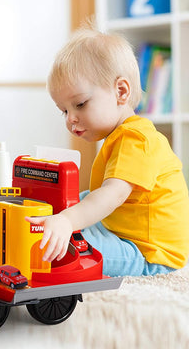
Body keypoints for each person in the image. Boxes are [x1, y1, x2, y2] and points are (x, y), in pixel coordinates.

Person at [26, 25, 189, 277]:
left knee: (70, 247)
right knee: (73, 206)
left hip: (149, 253)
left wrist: (68, 220)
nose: (71, 119)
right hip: (120, 229)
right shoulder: (121, 135)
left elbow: (111, 195)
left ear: (120, 92)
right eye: (65, 110)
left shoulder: (137, 139)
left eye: (80, 104)